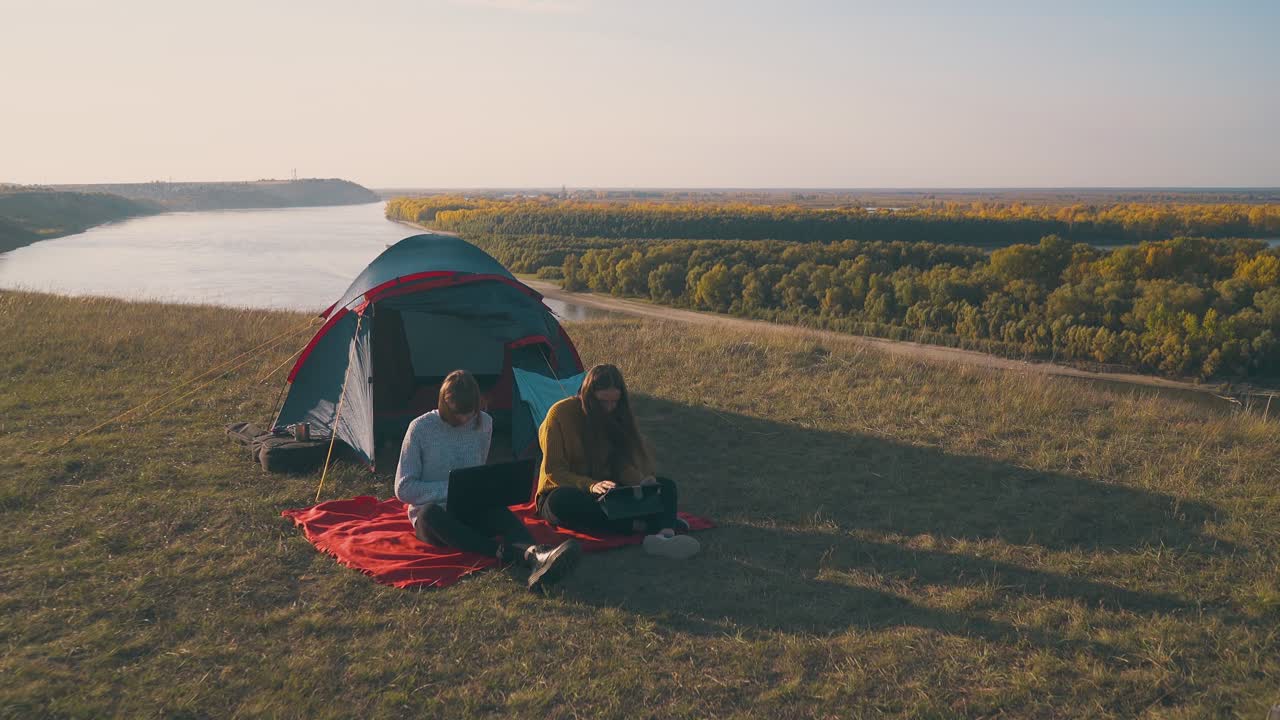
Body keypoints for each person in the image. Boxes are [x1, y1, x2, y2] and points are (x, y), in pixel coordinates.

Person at [396, 369, 579, 591]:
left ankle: (538, 554)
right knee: (429, 513)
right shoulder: (421, 428)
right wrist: (450, 489)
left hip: (469, 507)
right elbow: (403, 487)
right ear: (445, 404)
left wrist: (484, 489)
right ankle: (509, 553)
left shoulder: (484, 423)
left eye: (470, 413)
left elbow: (476, 471)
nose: (465, 419)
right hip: (434, 519)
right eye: (458, 414)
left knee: (500, 512)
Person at [536, 364, 699, 559]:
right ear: (588, 396)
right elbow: (554, 471)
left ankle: (665, 536)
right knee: (561, 501)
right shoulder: (560, 414)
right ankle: (648, 524)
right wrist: (591, 485)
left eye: (614, 402)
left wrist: (639, 481)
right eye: (603, 401)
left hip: (609, 492)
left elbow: (618, 463)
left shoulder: (616, 415)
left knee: (665, 486)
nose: (609, 407)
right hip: (568, 491)